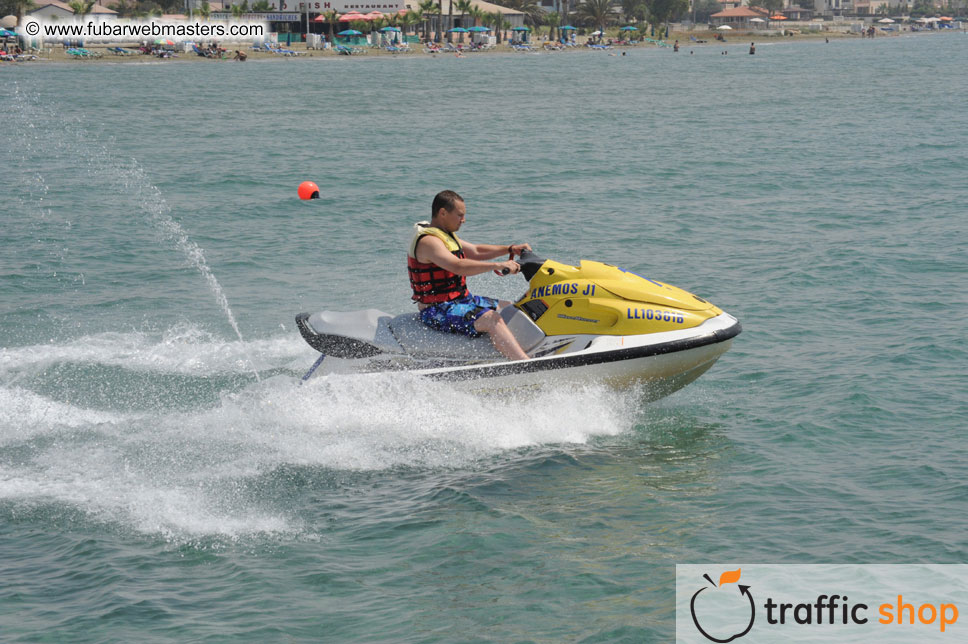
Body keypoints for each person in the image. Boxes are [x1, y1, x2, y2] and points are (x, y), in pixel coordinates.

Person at [408, 190, 531, 361]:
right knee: (492, 319)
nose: (463, 220)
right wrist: (498, 265)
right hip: (437, 309)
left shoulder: (445, 235)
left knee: (511, 308)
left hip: (462, 300)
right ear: (443, 213)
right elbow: (458, 266)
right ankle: (525, 364)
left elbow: (476, 251)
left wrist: (510, 249)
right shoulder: (429, 242)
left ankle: (532, 348)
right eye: (460, 215)